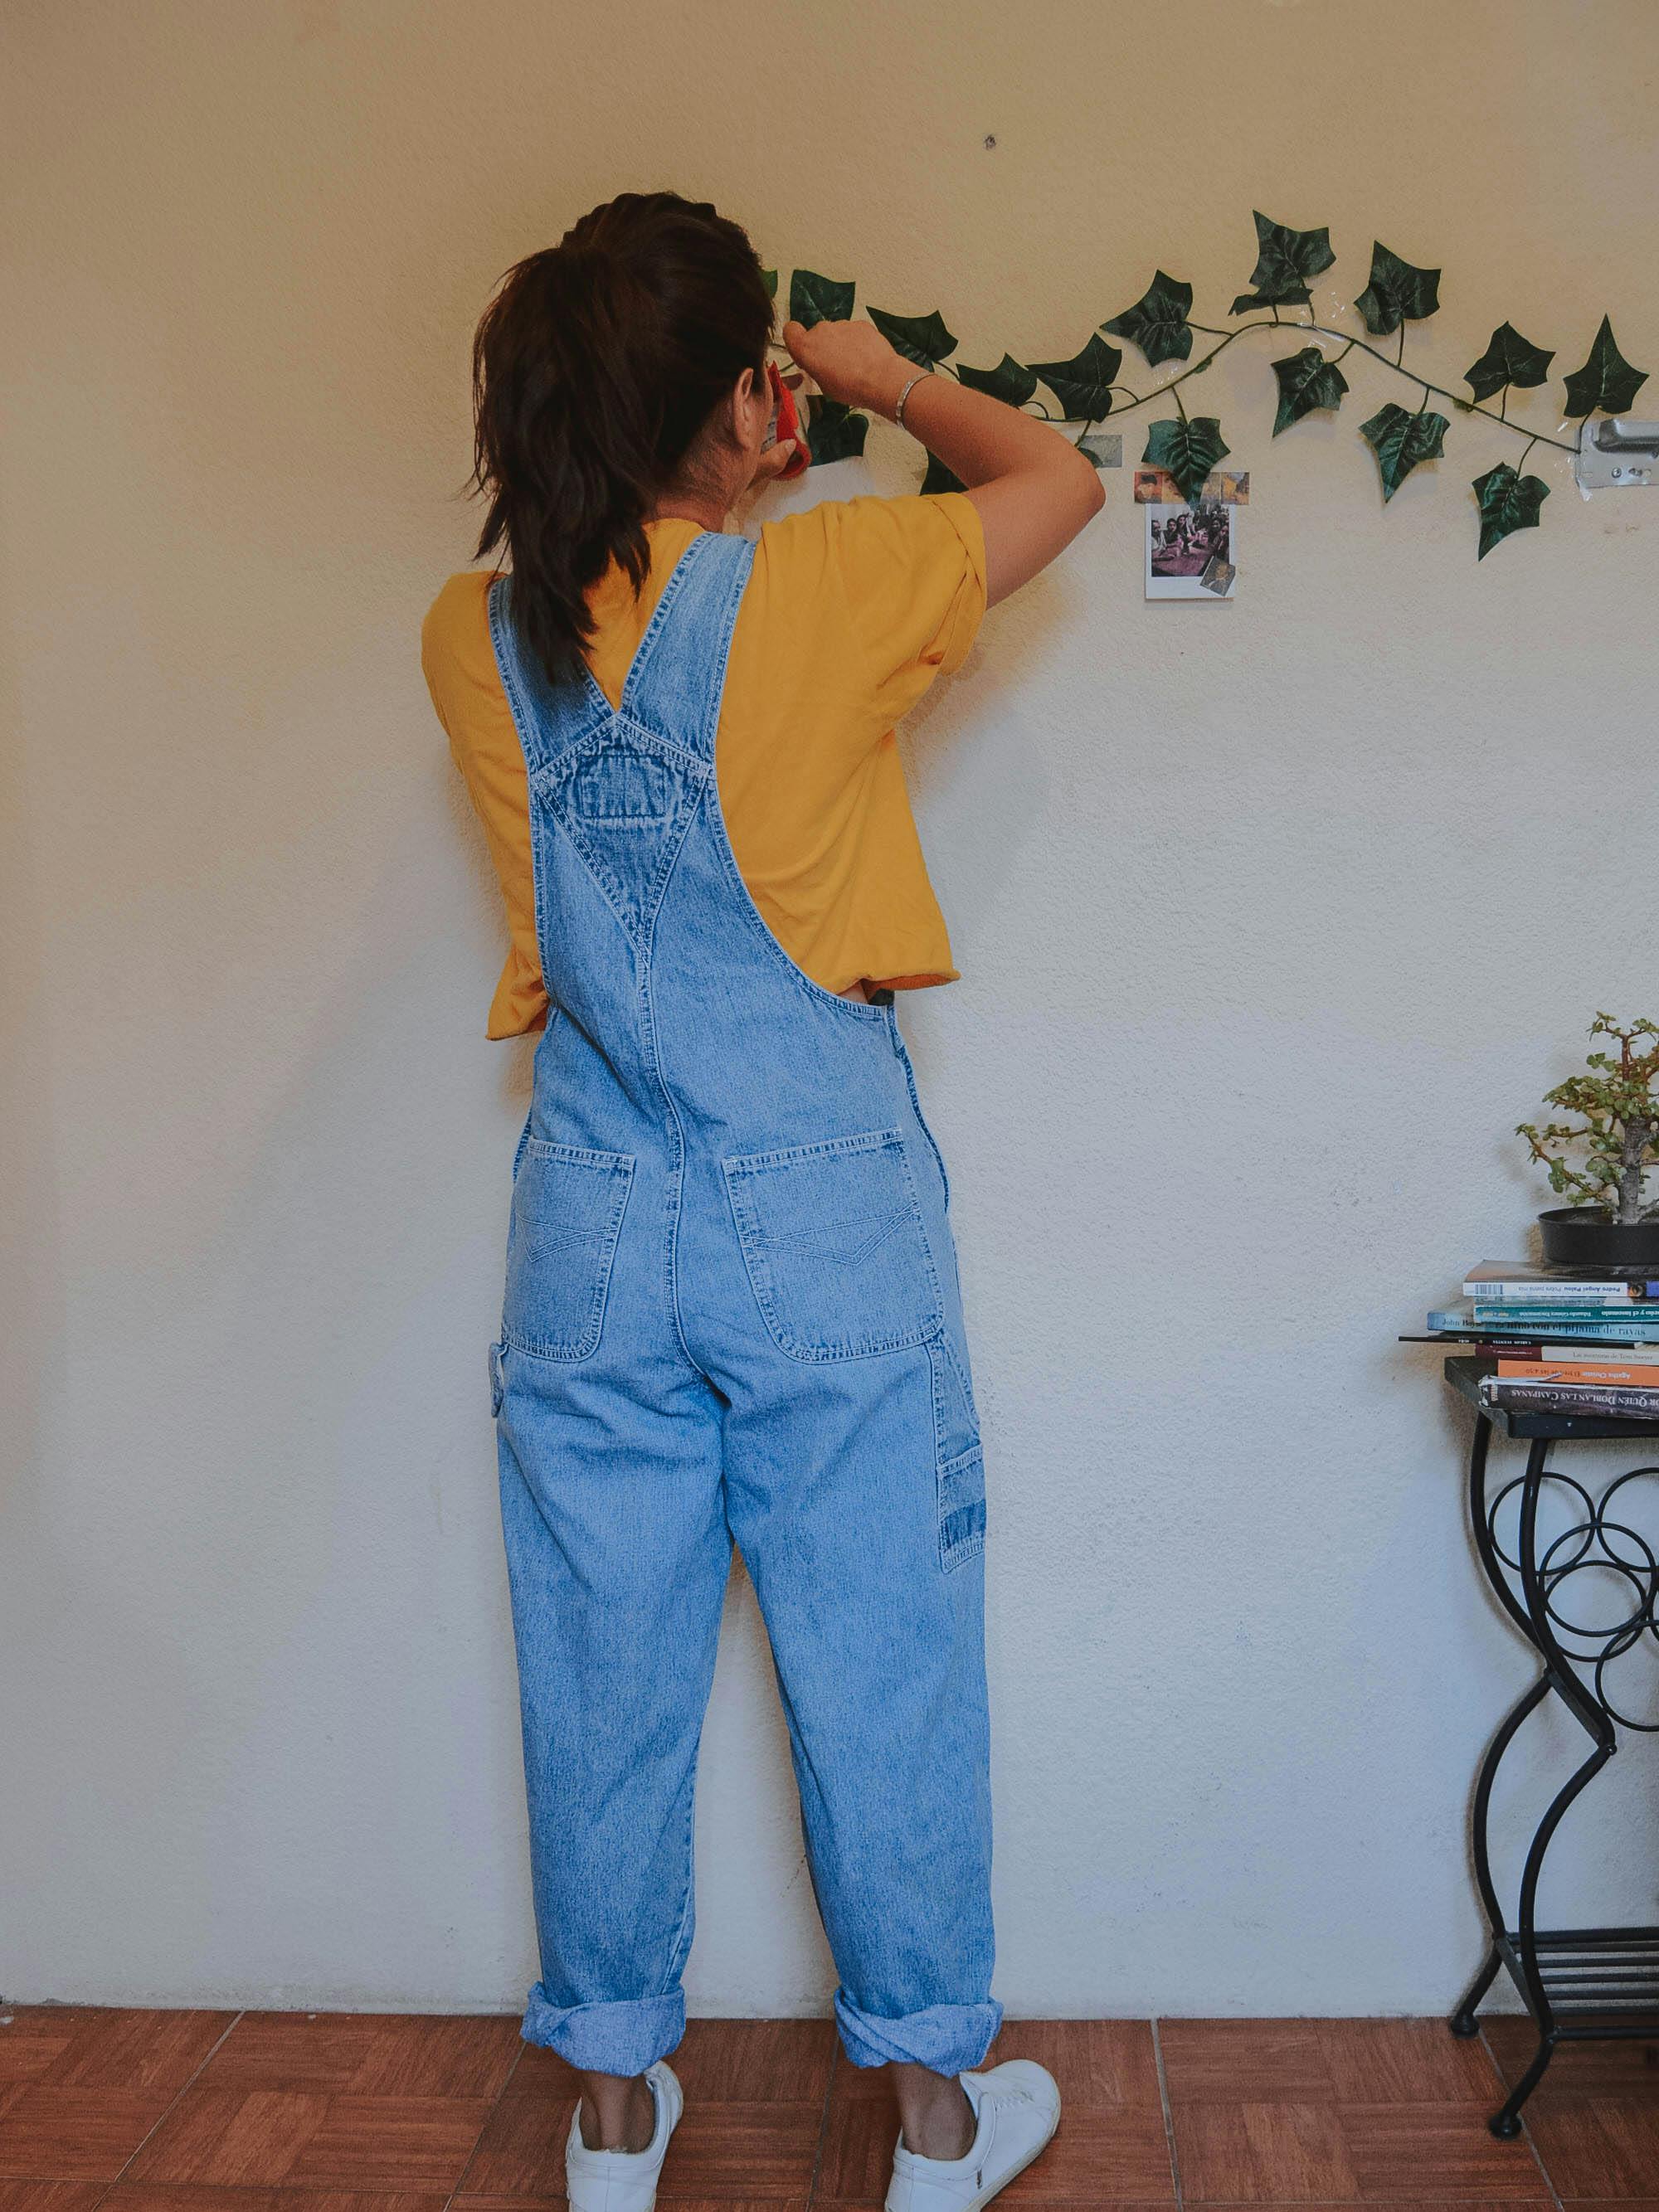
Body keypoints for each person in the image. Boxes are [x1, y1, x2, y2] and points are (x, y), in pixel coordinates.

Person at [421, 190, 1102, 2212]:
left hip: (592, 1215)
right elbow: (1056, 476)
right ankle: (930, 2133)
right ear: (753, 396)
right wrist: (876, 377)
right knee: (878, 1650)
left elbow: (569, 878)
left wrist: (705, 471)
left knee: (595, 1658)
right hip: (817, 1211)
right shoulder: (836, 579)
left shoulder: (473, 634)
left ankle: (615, 2124)